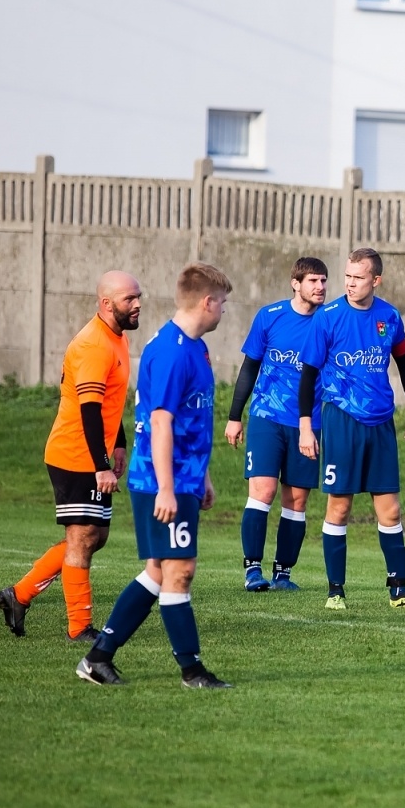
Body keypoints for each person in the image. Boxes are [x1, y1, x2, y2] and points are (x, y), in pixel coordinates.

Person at [76, 263, 234, 688]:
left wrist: (201, 476)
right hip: (160, 482)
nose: (223, 311)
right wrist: (168, 486)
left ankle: (98, 658)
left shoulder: (194, 347)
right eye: (222, 303)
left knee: (160, 571)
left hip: (181, 478)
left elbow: (189, 417)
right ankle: (192, 670)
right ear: (206, 302)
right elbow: (160, 422)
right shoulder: (171, 350)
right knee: (180, 569)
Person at [0, 271, 142, 642]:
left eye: (139, 297)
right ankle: (79, 628)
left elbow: (110, 401)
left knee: (95, 536)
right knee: (83, 537)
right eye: (129, 299)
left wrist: (119, 443)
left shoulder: (116, 338)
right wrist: (101, 466)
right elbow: (89, 411)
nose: (138, 304)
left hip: (89, 454)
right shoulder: (94, 345)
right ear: (107, 304)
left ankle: (19, 594)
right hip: (75, 455)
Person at [297, 248, 405, 611]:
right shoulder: (328, 317)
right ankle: (335, 592)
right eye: (347, 276)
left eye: (358, 277)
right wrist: (305, 426)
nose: (350, 283)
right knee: (339, 508)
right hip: (341, 421)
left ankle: (399, 592)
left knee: (390, 511)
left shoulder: (388, 316)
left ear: (376, 280)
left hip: (381, 423)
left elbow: (404, 364)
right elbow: (308, 375)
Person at [224, 257, 329, 592]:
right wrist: (233, 417)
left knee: (297, 499)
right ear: (295, 283)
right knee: (263, 491)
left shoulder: (330, 322)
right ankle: (252, 569)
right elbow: (249, 368)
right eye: (313, 281)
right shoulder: (269, 317)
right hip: (266, 418)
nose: (320, 287)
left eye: (324, 281)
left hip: (308, 424)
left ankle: (283, 573)